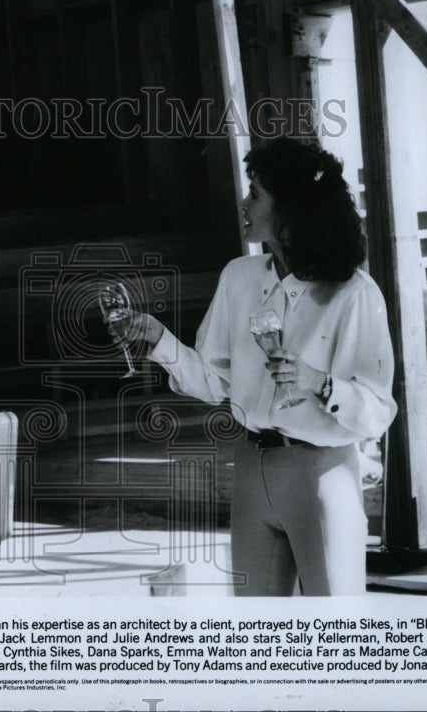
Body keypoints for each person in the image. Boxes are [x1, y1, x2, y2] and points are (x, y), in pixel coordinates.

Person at [123, 137, 397, 596]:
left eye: (255, 193)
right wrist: (158, 341)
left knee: (337, 634)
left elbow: (377, 412)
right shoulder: (239, 277)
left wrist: (319, 384)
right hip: (251, 468)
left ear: (291, 206)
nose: (243, 202)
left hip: (321, 474)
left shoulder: (355, 293)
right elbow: (215, 383)